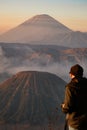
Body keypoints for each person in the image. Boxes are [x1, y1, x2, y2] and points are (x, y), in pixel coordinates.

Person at [61, 64, 87, 130]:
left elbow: (68, 107)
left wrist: (63, 106)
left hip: (76, 123)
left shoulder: (70, 87)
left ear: (72, 74)